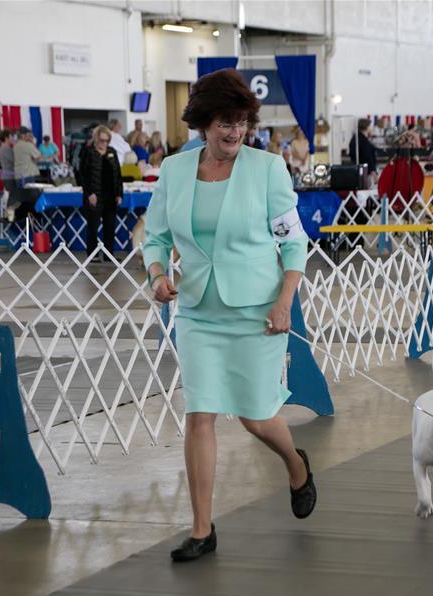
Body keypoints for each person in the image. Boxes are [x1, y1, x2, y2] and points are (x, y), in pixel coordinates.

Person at [143, 68, 314, 562]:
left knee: (256, 418)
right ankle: (202, 530)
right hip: (197, 312)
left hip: (259, 312)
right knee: (200, 415)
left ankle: (295, 464)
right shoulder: (174, 171)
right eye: (225, 121)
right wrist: (157, 275)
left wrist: (285, 301)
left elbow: (292, 240)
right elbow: (155, 236)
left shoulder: (268, 168)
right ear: (203, 122)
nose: (235, 131)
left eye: (242, 121)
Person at [79, 125, 123, 261]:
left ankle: (109, 255)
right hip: (94, 196)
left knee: (110, 227)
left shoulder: (112, 152)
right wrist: (89, 193)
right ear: (96, 139)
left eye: (107, 141)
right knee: (93, 227)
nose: (104, 144)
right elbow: (82, 175)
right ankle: (92, 255)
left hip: (111, 196)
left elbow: (118, 174)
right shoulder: (88, 151)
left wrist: (119, 194)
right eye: (101, 141)